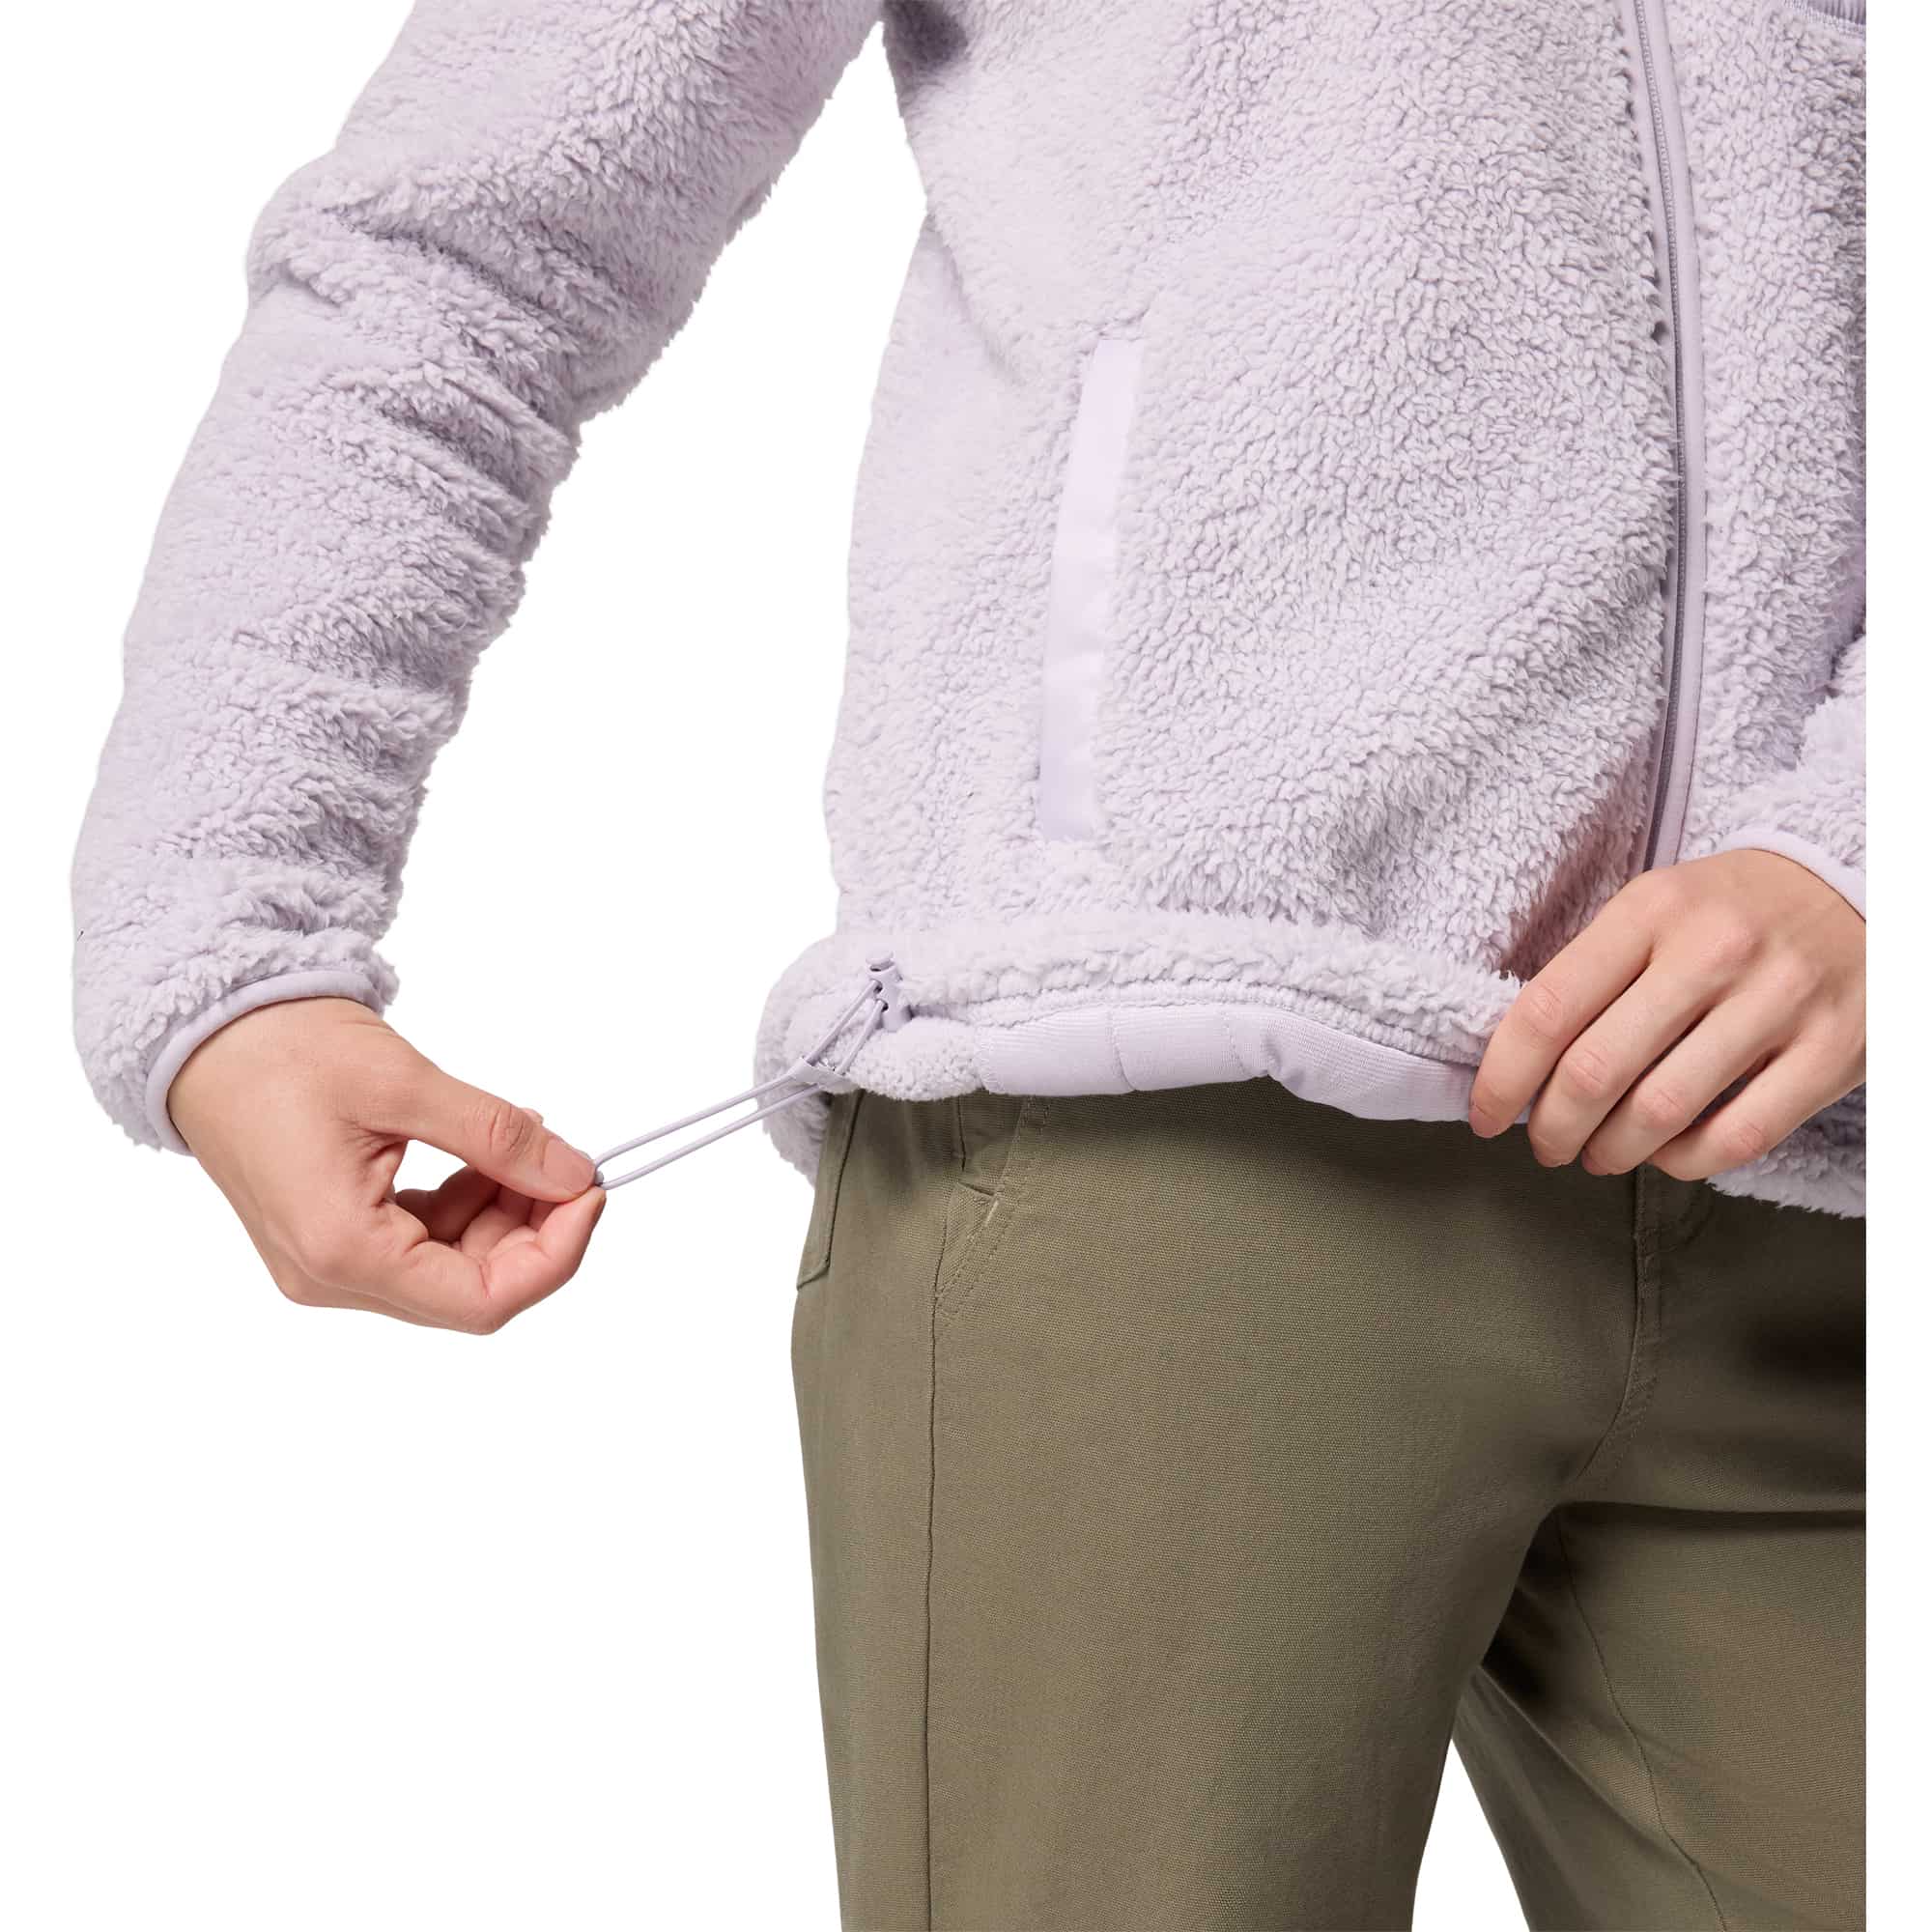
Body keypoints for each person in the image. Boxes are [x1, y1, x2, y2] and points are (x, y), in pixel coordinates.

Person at [73, 2, 1866, 1926]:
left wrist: (1863, 841)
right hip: (1168, 1165)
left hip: (1830, 1191)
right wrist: (225, 920)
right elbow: (478, 244)